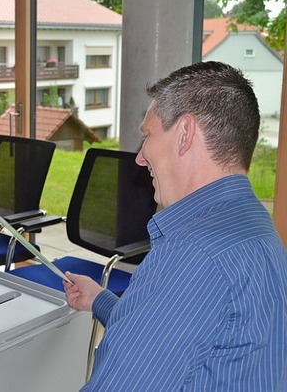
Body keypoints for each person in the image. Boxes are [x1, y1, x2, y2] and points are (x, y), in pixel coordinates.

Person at [65, 61, 287, 391]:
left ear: (185, 133)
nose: (140, 157)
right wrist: (100, 299)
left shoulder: (193, 253)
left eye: (148, 136)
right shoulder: (254, 223)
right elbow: (183, 330)